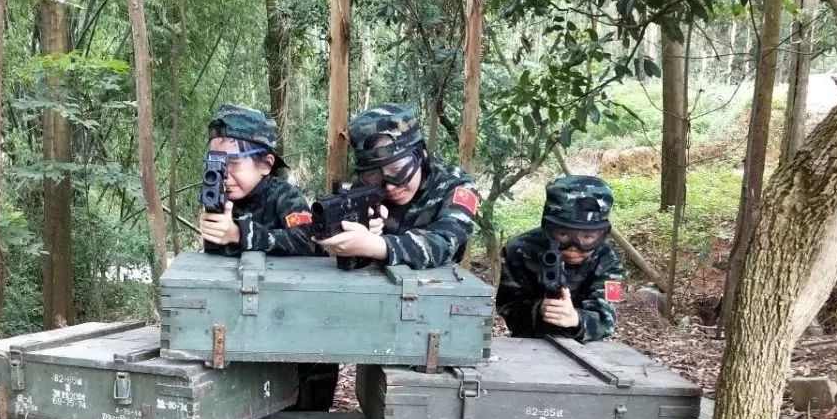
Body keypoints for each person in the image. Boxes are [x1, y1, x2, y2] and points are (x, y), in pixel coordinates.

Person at [312, 103, 478, 269]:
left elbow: (445, 242)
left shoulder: (455, 186)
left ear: (422, 155)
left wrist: (376, 245)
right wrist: (348, 236)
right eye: (374, 175)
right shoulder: (363, 191)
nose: (390, 187)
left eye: (398, 170)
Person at [496, 175, 625, 343]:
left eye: (587, 237)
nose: (574, 246)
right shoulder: (520, 250)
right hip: (529, 343)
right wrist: (538, 309)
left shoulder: (608, 260)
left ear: (601, 234)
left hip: (587, 348)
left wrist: (576, 319)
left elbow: (606, 318)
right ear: (548, 229)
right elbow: (508, 307)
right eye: (563, 235)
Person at [198, 104, 316, 256]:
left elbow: (305, 242)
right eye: (216, 163)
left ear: (266, 164)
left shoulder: (285, 195)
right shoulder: (219, 195)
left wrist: (240, 234)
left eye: (233, 163)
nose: (223, 174)